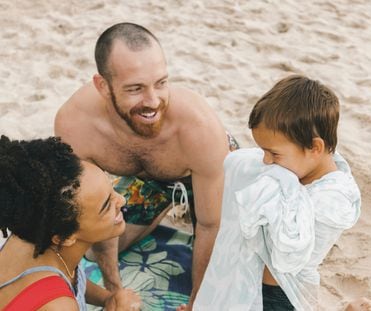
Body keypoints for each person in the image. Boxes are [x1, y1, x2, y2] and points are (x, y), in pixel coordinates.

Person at [54, 22, 238, 309]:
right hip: (148, 181)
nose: (153, 101)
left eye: (161, 83)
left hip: (208, 175)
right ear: (103, 86)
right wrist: (114, 292)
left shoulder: (199, 128)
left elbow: (210, 224)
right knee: (93, 249)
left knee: (239, 262)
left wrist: (196, 303)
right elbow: (93, 207)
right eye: (135, 88)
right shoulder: (75, 126)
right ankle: (164, 206)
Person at [193, 75, 371, 310]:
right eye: (263, 151)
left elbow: (286, 249)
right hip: (253, 278)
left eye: (274, 154)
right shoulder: (297, 167)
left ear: (315, 148)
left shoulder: (335, 198)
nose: (266, 161)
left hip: (280, 294)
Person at [0, 136, 141, 310]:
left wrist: (108, 298)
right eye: (106, 205)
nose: (122, 200)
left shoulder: (34, 236)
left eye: (112, 189)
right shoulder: (59, 306)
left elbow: (70, 274)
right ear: (65, 238)